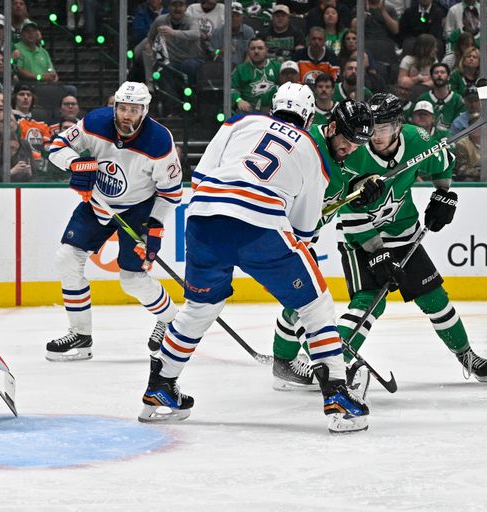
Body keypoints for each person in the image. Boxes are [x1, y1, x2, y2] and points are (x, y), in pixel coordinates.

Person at [139, 83, 368, 433]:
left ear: (274, 106)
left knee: (200, 307)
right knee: (315, 303)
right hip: (259, 225)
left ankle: (160, 387)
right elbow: (304, 231)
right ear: (308, 117)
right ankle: (337, 393)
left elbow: (200, 176)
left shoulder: (239, 122)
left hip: (202, 218)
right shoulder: (310, 148)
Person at [336, 93, 487, 385]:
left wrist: (443, 194)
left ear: (397, 126)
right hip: (360, 236)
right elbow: (348, 213)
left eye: (383, 128)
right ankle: (333, 363)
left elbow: (443, 161)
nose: (376, 135)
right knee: (369, 301)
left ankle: (466, 355)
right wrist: (376, 252)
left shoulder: (417, 140)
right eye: (373, 127)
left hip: (403, 233)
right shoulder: (354, 152)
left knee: (435, 298)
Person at [45, 82, 183, 362]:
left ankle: (171, 321)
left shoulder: (159, 141)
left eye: (133, 110)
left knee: (132, 280)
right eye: (122, 108)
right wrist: (75, 163)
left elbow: (170, 192)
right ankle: (81, 335)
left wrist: (155, 225)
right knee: (67, 259)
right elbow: (57, 147)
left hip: (139, 209)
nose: (126, 115)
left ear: (144, 111)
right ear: (115, 107)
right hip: (97, 202)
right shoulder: (96, 122)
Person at [269, 99, 378, 392]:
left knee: (301, 301)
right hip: (282, 235)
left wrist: (365, 187)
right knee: (309, 301)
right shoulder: (307, 148)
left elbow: (363, 177)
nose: (350, 149)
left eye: (357, 144)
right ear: (331, 127)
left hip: (306, 236)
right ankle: (327, 366)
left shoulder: (353, 150)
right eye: (346, 141)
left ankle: (284, 361)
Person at [230, 37, 280, 114]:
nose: (256, 51)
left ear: (266, 50)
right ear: (248, 51)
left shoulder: (277, 67)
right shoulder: (240, 69)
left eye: (260, 48)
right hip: (248, 109)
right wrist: (239, 100)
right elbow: (232, 89)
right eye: (253, 48)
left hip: (273, 108)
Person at [413, 63, 465, 132]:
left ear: (449, 76)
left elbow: (461, 125)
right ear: (431, 77)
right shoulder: (423, 98)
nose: (439, 75)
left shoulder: (458, 100)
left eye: (442, 72)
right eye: (436, 73)